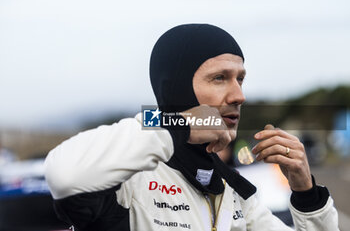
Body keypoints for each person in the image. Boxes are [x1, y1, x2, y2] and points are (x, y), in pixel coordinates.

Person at [44, 24, 339, 231]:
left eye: (240, 79)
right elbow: (63, 174)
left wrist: (306, 193)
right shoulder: (128, 174)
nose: (239, 95)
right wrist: (179, 124)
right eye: (220, 78)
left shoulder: (232, 188)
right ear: (177, 88)